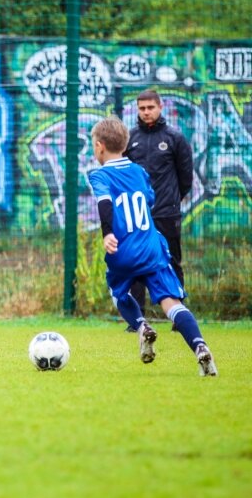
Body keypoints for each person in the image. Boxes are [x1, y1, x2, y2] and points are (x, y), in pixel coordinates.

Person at [88, 116, 217, 376]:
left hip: (123, 249)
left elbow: (105, 203)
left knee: (118, 293)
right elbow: (148, 200)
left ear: (99, 146)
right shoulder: (140, 172)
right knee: (172, 303)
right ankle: (200, 347)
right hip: (151, 247)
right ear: (125, 145)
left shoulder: (100, 175)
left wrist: (108, 233)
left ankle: (141, 326)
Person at [124, 89, 193, 331]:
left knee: (171, 262)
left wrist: (171, 200)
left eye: (150, 107)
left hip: (166, 213)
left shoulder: (175, 138)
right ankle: (137, 320)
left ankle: (179, 318)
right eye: (142, 108)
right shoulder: (130, 139)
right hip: (138, 214)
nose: (146, 112)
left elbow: (186, 178)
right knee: (135, 263)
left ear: (160, 107)